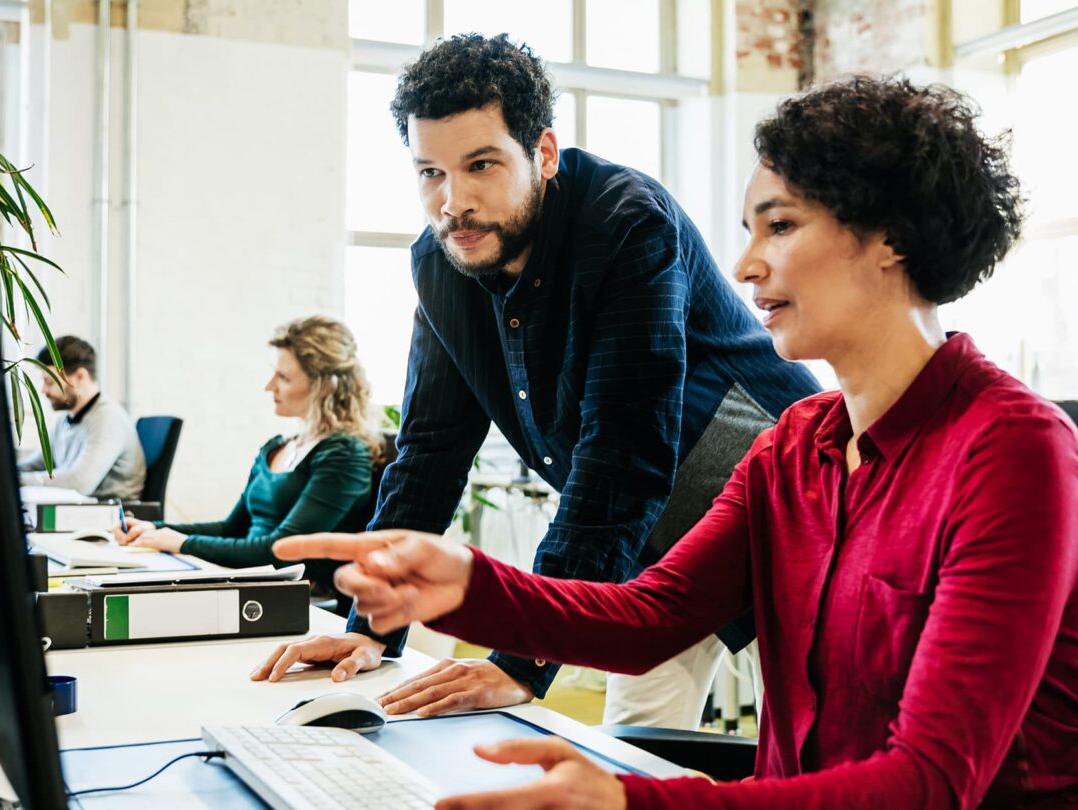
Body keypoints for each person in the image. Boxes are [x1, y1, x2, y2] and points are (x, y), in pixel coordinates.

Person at [274, 76, 1078, 809]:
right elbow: (649, 617)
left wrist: (634, 801)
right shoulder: (795, 446)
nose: (744, 267)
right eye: (749, 229)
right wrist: (463, 583)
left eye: (779, 227)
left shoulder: (1013, 452)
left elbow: (928, 784)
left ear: (892, 237)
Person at [250, 33, 821, 727]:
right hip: (640, 545)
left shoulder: (624, 220)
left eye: (481, 165)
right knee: (636, 748)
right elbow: (429, 451)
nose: (452, 202)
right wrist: (371, 628)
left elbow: (624, 449)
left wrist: (521, 659)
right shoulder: (444, 263)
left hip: (777, 510)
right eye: (430, 172)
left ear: (543, 154)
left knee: (819, 737)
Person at [115, 316, 381, 591]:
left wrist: (182, 542)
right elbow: (232, 528)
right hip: (250, 580)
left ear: (323, 386)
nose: (269, 386)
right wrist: (155, 530)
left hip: (294, 594)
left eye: (284, 377)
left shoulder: (344, 455)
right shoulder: (277, 447)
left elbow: (280, 551)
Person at [19, 335, 146, 501]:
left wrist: (18, 481)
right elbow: (38, 464)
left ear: (80, 377)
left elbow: (79, 483)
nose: (43, 391)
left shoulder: (108, 419)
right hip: (79, 508)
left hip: (108, 512)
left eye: (49, 382)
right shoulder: (65, 421)